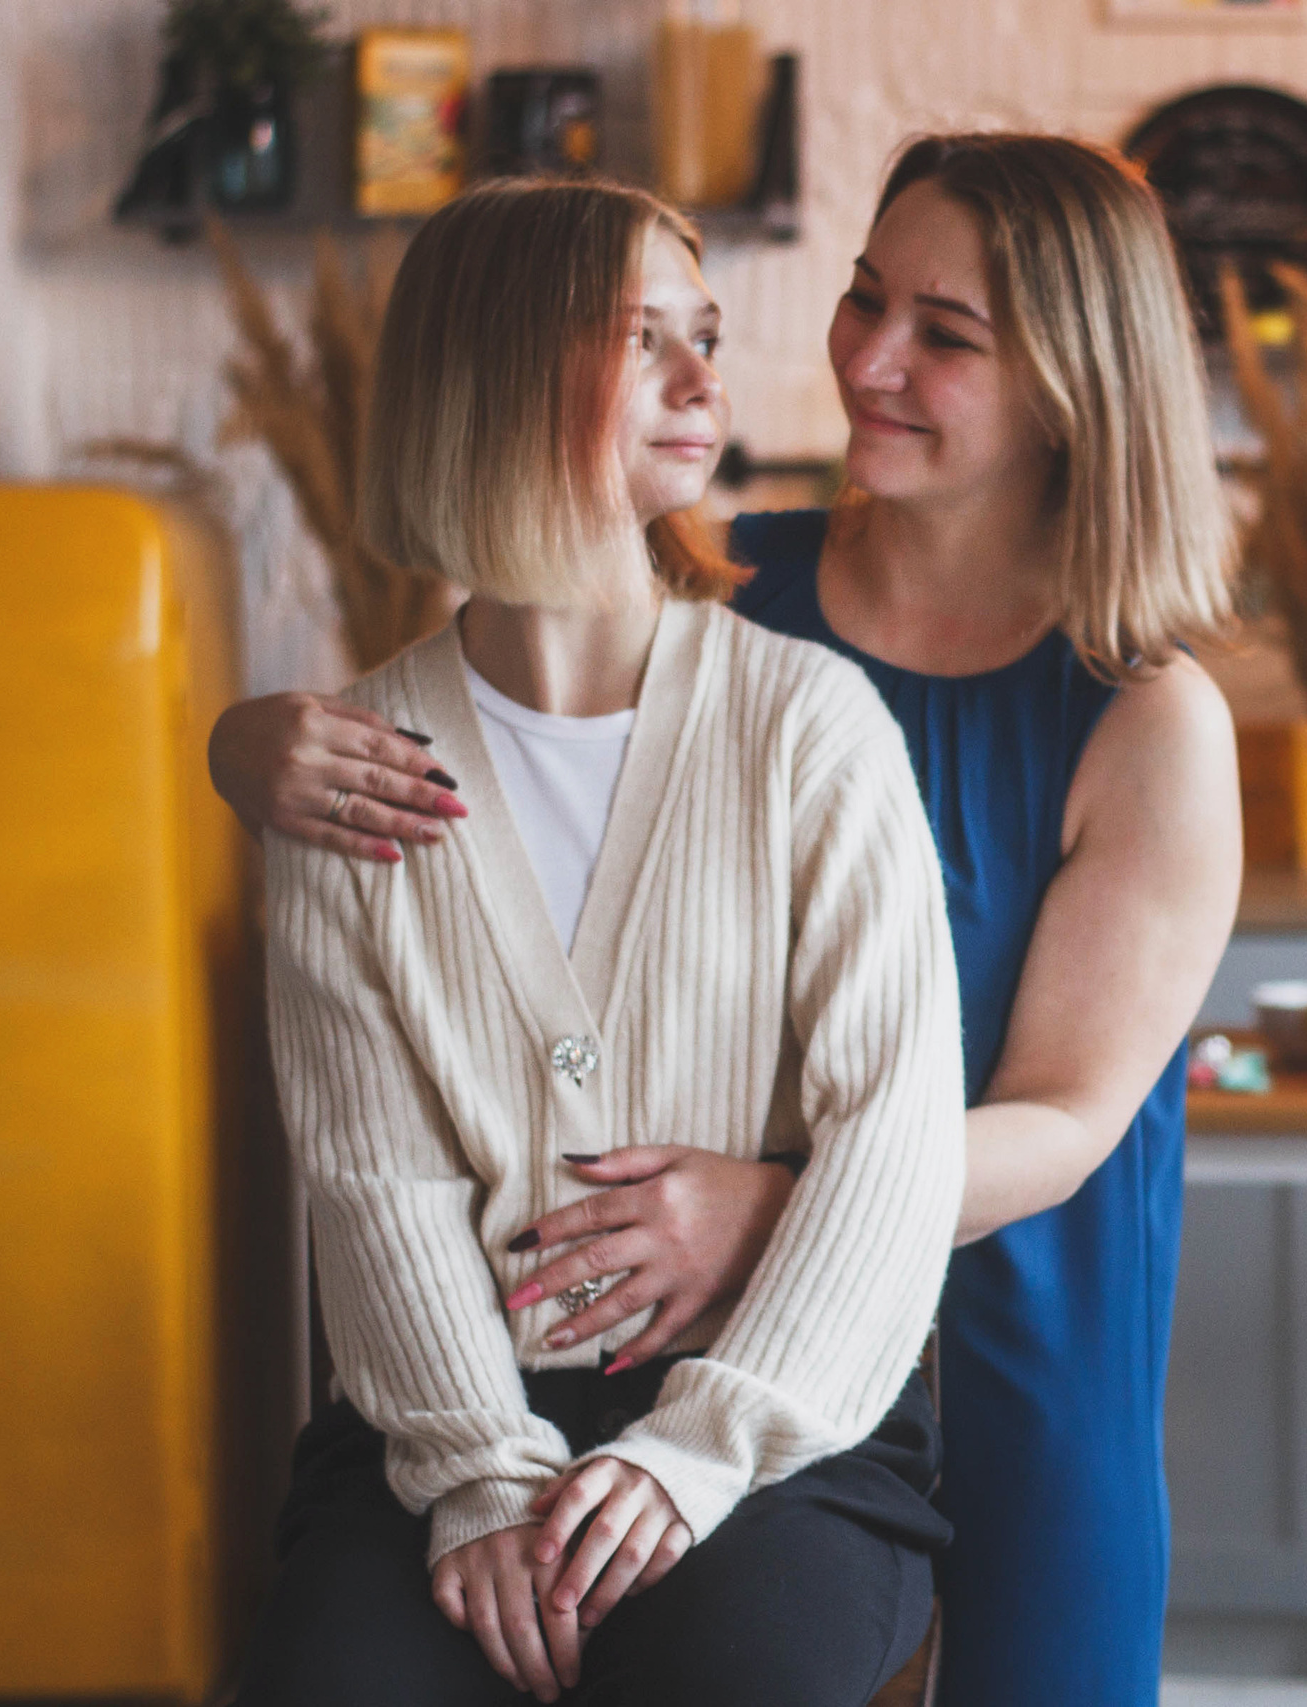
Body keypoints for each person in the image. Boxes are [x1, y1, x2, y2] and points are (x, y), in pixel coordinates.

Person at [212, 133, 1241, 1706]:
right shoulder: (714, 589)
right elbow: (498, 733)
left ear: (1071, 388)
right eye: (861, 298)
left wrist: (776, 1204)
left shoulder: (1145, 717)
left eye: (944, 336)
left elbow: (1066, 1116)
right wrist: (243, 748)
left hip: (1009, 1314)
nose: (865, 363)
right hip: (638, 1323)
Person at [236, 177, 965, 1707]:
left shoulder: (805, 727)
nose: (709, 383)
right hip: (433, 1426)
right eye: (646, 342)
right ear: (498, 368)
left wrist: (702, 1450)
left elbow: (895, 1137)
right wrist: (483, 1477)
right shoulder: (343, 768)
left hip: (782, 1416)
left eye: (706, 336)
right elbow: (371, 1181)